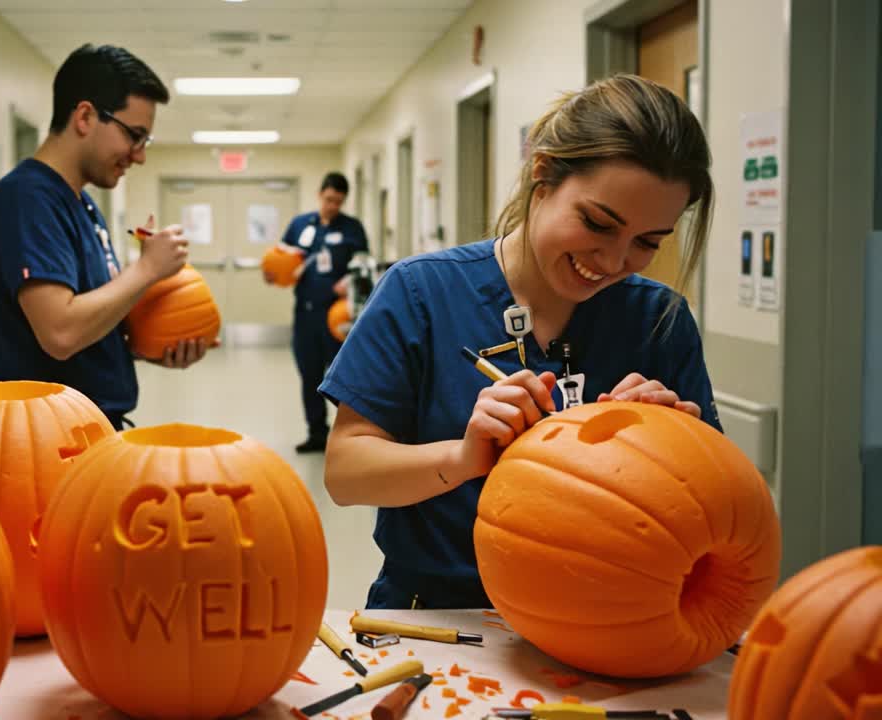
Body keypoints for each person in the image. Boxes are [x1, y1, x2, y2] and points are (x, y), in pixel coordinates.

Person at [320, 74, 721, 610]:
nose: (612, 262)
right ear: (544, 174)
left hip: (610, 618)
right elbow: (346, 474)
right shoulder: (423, 292)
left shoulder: (658, 320)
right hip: (441, 615)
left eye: (647, 242)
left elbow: (717, 511)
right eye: (598, 223)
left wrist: (674, 448)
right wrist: (463, 458)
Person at [0, 44, 210, 431]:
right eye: (134, 135)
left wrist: (148, 343)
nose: (139, 156)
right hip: (45, 443)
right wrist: (147, 269)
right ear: (85, 116)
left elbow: (89, 321)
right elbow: (61, 332)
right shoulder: (27, 200)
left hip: (90, 428)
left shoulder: (81, 205)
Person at [269, 172, 369, 453]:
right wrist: (274, 275)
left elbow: (363, 267)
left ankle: (351, 436)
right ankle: (316, 433)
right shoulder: (300, 226)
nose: (332, 206)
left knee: (344, 378)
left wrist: (348, 282)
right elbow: (282, 261)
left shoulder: (352, 229)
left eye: (338, 202)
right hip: (305, 314)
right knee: (309, 374)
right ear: (319, 194)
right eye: (328, 200)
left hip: (338, 315)